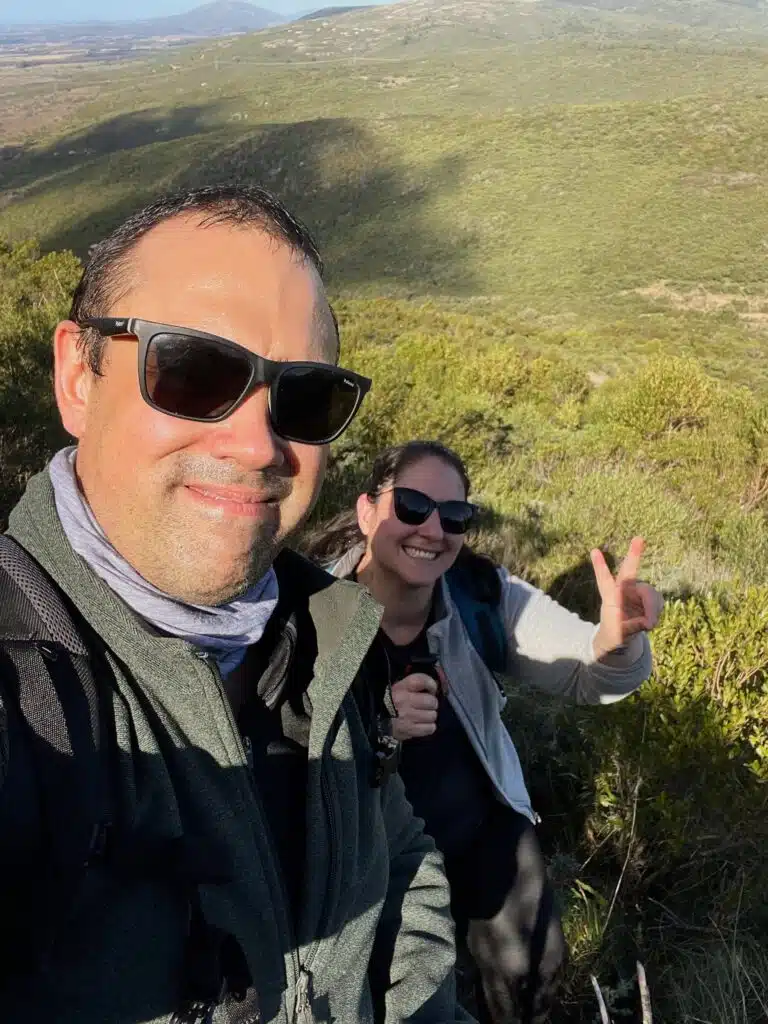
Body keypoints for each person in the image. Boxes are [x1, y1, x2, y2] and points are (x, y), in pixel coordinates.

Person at [0, 187, 472, 1024]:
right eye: (193, 373)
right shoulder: (24, 689)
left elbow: (397, 856)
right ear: (79, 375)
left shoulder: (329, 635)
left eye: (304, 399)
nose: (257, 445)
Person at [305, 440, 664, 1024]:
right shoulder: (311, 608)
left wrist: (615, 643)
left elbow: (588, 674)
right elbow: (277, 743)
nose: (433, 529)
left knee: (531, 979)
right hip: (368, 848)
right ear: (368, 510)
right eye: (413, 505)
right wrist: (372, 724)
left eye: (455, 516)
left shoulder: (479, 595)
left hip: (481, 832)